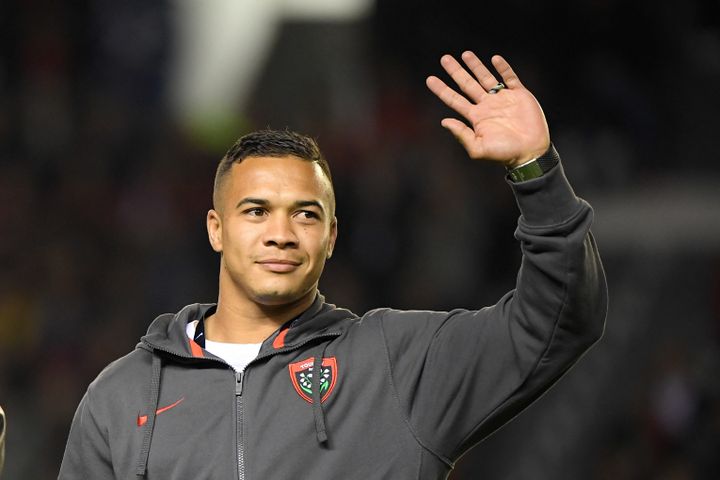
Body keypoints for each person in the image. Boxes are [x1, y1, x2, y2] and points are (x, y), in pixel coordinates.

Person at [58, 51, 607, 479]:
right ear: (215, 229)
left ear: (331, 236)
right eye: (256, 211)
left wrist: (536, 171)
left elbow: (557, 322)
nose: (280, 233)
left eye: (305, 214)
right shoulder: (122, 396)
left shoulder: (398, 365)